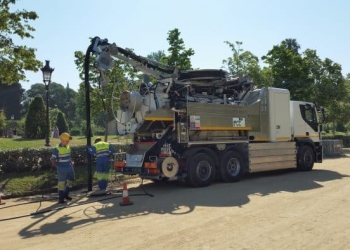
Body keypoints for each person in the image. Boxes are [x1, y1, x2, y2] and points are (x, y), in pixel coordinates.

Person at [50, 132, 75, 204]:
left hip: (69, 167)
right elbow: (52, 159)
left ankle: (65, 194)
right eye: (67, 140)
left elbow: (69, 156)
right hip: (61, 168)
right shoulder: (56, 149)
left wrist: (71, 162)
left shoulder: (68, 147)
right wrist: (56, 165)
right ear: (62, 140)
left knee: (71, 180)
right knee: (61, 183)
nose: (68, 142)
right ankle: (61, 198)